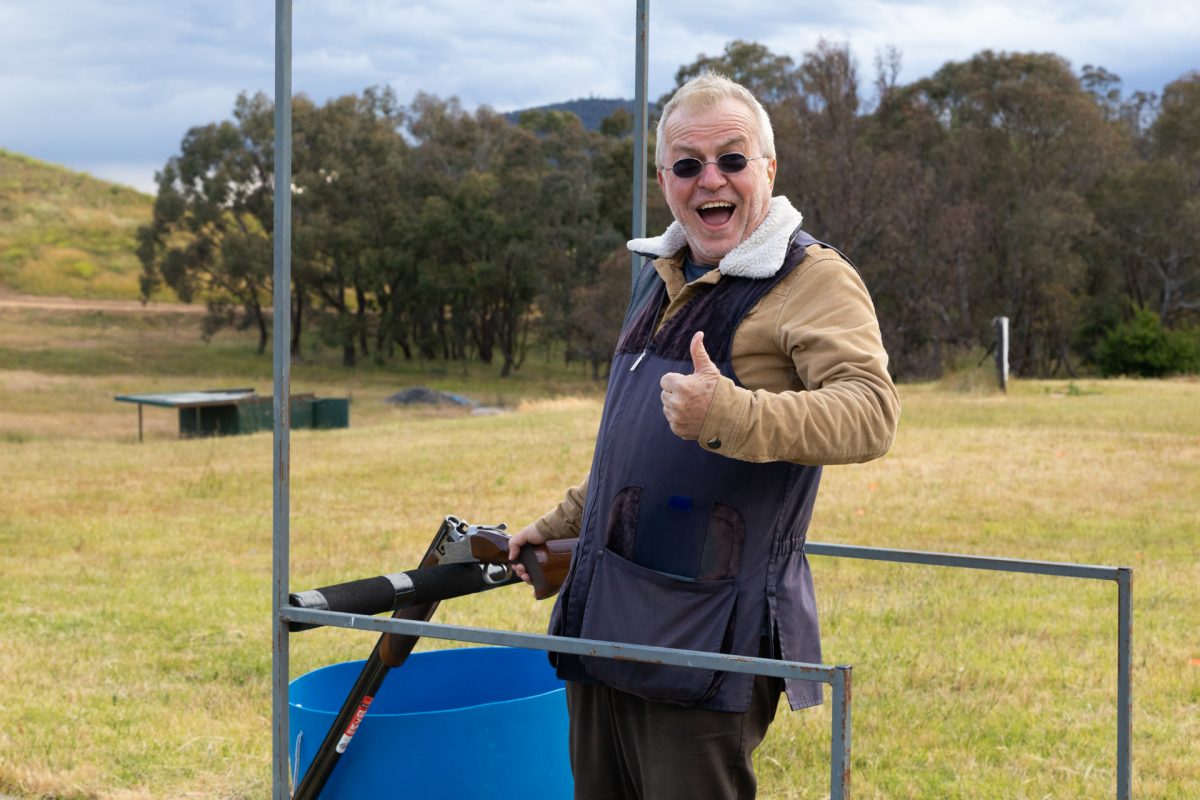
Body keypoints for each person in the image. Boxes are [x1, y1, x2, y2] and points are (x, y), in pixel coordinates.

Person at [508, 71, 900, 799]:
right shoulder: (659, 272)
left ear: (769, 169)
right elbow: (633, 451)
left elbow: (871, 412)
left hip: (707, 631)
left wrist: (730, 414)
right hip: (605, 614)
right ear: (665, 180)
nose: (709, 179)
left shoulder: (813, 279)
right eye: (688, 165)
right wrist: (564, 523)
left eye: (732, 159)